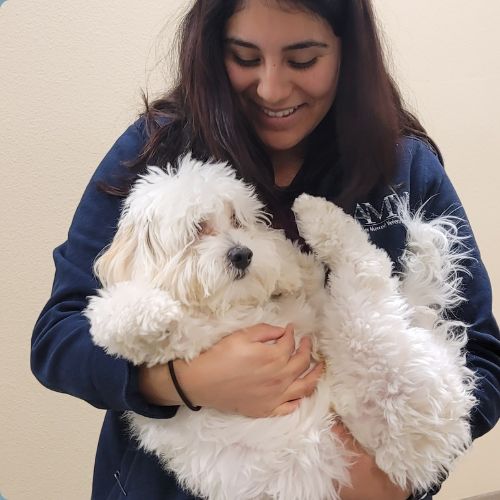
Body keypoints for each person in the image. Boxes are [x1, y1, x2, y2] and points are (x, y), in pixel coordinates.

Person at [31, 1, 500, 499]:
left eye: (303, 60)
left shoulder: (405, 167)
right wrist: (181, 381)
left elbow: (483, 362)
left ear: (347, 52)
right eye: (245, 57)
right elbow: (58, 337)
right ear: (212, 50)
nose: (272, 88)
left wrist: (395, 483)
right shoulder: (154, 150)